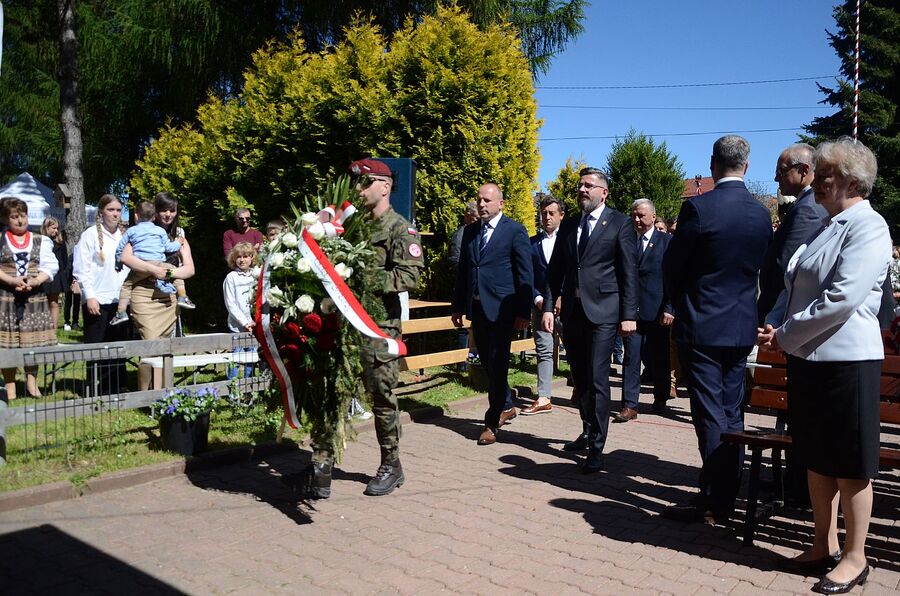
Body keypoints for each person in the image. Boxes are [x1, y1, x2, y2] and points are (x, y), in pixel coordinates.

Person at [758, 138, 888, 593]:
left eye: (826, 173)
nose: (817, 179)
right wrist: (774, 320)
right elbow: (792, 283)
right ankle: (822, 544)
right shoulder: (827, 224)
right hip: (810, 358)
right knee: (815, 458)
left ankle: (856, 557)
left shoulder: (868, 226)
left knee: (850, 465)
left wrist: (786, 335)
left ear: (852, 181)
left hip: (847, 362)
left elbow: (842, 298)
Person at [662, 135, 772, 523]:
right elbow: (764, 270)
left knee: (709, 414)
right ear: (747, 165)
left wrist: (680, 298)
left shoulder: (699, 209)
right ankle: (728, 493)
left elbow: (673, 265)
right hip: (742, 325)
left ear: (713, 164)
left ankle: (715, 499)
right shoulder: (761, 214)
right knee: (731, 412)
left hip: (703, 324)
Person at [300, 158, 424, 499]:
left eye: (365, 183)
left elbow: (410, 275)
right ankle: (321, 465)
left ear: (384, 187)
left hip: (378, 326)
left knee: (381, 397)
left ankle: (391, 464)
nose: (358, 189)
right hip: (344, 327)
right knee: (331, 390)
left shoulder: (400, 228)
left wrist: (360, 277)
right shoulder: (352, 226)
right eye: (356, 183)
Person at [542, 167, 637, 473]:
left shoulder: (620, 223)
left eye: (589, 186)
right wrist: (547, 306)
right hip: (572, 313)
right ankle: (586, 429)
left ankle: (597, 446)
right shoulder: (569, 226)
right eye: (580, 185)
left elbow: (628, 273)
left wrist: (628, 316)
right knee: (580, 379)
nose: (582, 190)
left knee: (597, 379)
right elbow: (555, 271)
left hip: (604, 313)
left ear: (603, 192)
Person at [452, 182, 533, 446]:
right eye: (479, 200)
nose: (482, 204)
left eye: (487, 200)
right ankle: (507, 404)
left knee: (497, 364)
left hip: (502, 310)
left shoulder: (514, 231)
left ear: (501, 203)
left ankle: (491, 422)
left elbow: (524, 274)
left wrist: (523, 311)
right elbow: (464, 270)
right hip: (478, 309)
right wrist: (458, 306)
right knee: (487, 362)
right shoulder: (471, 231)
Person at [758, 143, 828, 323]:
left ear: (804, 170)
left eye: (781, 172)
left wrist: (769, 316)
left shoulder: (808, 209)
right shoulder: (805, 204)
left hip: (782, 315)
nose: (775, 178)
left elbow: (786, 266)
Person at [616, 198, 673, 422]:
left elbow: (672, 277)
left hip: (658, 311)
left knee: (659, 357)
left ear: (653, 216)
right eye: (634, 215)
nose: (637, 219)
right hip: (632, 311)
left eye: (641, 215)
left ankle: (660, 397)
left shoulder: (666, 242)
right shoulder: (626, 241)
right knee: (631, 357)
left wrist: (670, 307)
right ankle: (630, 405)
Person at [0, 198, 59, 399]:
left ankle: (32, 384)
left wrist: (35, 281)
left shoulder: (40, 240)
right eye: (14, 217)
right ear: (6, 219)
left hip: (34, 297)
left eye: (22, 216)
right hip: (6, 298)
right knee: (7, 344)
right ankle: (10, 386)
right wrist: (11, 280)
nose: (19, 221)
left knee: (32, 343)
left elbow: (50, 266)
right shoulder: (1, 239)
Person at [72, 194, 129, 395]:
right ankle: (96, 386)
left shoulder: (125, 235)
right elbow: (81, 269)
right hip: (98, 299)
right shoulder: (89, 235)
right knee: (97, 345)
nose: (115, 214)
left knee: (118, 345)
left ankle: (116, 385)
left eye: (118, 210)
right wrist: (90, 296)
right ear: (101, 212)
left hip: (121, 300)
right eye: (110, 210)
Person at [109, 201, 184, 326]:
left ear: (136, 216)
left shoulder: (131, 231)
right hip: (159, 264)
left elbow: (120, 249)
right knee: (176, 274)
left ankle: (121, 312)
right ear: (154, 217)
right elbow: (169, 247)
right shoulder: (159, 231)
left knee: (127, 286)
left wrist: (118, 264)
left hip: (140, 266)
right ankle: (182, 296)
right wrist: (178, 243)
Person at [521, 195, 564, 415]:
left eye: (551, 213)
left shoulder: (569, 241)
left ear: (561, 216)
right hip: (539, 306)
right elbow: (526, 277)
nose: (547, 217)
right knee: (544, 351)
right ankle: (544, 396)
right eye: (544, 213)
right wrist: (538, 299)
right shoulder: (531, 243)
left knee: (576, 351)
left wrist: (561, 296)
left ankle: (581, 389)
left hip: (565, 307)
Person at [154, 192, 196, 310]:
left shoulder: (179, 233)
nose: (168, 214)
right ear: (156, 211)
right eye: (164, 210)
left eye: (172, 211)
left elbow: (189, 269)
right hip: (149, 291)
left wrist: (167, 273)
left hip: (171, 291)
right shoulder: (147, 232)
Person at [223, 242, 257, 379]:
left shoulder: (256, 275)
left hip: (254, 325)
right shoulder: (231, 278)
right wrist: (244, 322)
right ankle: (233, 391)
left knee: (251, 359)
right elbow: (230, 304)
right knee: (236, 358)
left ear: (252, 258)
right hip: (238, 327)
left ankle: (248, 389)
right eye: (238, 257)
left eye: (246, 256)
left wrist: (254, 321)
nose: (242, 260)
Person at [40, 217, 69, 330]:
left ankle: (54, 329)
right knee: (43, 301)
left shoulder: (60, 242)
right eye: (53, 228)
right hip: (42, 274)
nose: (56, 231)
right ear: (46, 227)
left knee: (54, 302)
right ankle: (43, 327)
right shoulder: (39, 240)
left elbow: (64, 260)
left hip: (57, 275)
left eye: (57, 228)